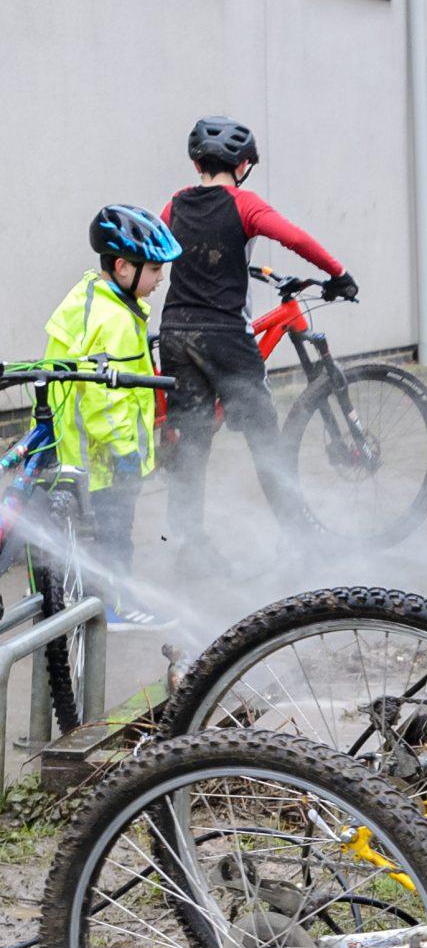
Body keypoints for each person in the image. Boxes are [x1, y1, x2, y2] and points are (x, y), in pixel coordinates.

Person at [159, 115, 355, 556]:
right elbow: (296, 238)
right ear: (243, 165)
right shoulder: (244, 204)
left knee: (191, 446)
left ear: (197, 166)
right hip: (225, 335)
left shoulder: (175, 204)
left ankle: (190, 549)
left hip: (176, 332)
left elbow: (153, 244)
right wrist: (338, 273)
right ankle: (301, 542)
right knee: (265, 441)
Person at [41, 207, 183, 630]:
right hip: (105, 456)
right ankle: (113, 608)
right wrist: (125, 453)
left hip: (75, 444)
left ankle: (98, 598)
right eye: (155, 269)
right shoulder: (118, 320)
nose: (161, 279)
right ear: (122, 266)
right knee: (114, 533)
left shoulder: (93, 293)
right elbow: (107, 402)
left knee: (96, 533)